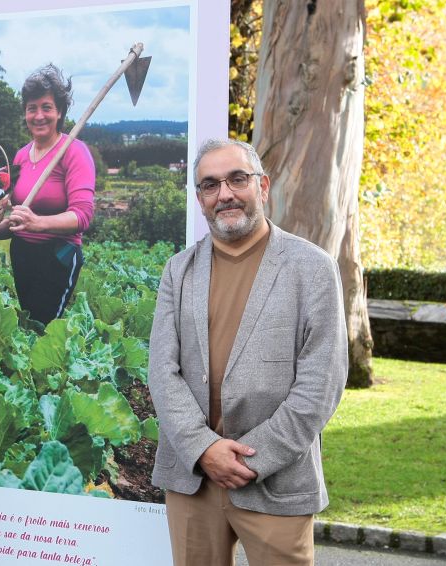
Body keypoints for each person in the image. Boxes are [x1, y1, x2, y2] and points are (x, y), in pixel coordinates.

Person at [148, 138, 348, 566]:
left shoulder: (312, 268)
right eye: (210, 184)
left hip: (275, 480)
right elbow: (162, 373)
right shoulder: (178, 270)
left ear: (262, 186)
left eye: (237, 179)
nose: (225, 194)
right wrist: (204, 450)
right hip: (193, 480)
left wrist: (252, 459)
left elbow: (322, 383)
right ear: (200, 198)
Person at [0, 63, 96, 326]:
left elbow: (83, 215)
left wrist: (38, 223)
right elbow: (18, 216)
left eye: (46, 107)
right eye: (32, 108)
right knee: (28, 323)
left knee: (44, 329)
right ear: (25, 113)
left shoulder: (74, 151)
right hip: (22, 252)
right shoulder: (20, 156)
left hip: (58, 256)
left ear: (59, 112)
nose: (39, 115)